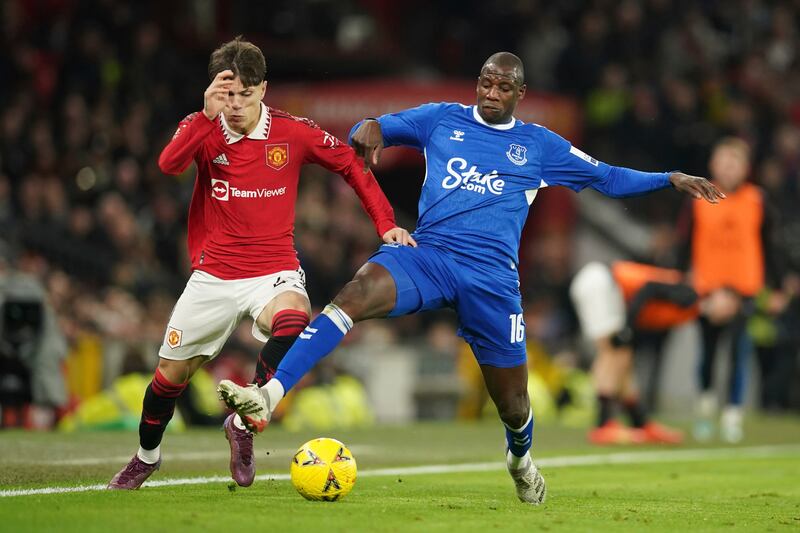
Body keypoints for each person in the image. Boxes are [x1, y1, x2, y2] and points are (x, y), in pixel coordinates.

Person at [217, 52, 723, 504]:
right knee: (355, 291)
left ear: (519, 94)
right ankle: (269, 395)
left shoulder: (539, 145)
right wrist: (369, 127)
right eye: (485, 82)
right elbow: (377, 127)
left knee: (513, 403)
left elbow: (607, 177)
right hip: (430, 255)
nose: (491, 93)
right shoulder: (442, 119)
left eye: (503, 87)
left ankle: (520, 459)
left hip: (492, 281)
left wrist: (669, 179)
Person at [108, 37, 413, 490]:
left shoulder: (292, 132)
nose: (234, 104)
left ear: (263, 89)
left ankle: (244, 423)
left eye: (244, 94)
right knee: (168, 379)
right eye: (226, 93)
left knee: (295, 317)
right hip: (213, 275)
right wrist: (205, 113)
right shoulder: (203, 126)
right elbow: (169, 165)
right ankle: (146, 456)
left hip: (273, 269)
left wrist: (385, 223)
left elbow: (352, 164)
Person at [676, 137, 782, 442]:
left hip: (744, 289)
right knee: (707, 353)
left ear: (745, 168)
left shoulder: (757, 200)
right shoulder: (696, 198)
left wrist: (776, 286)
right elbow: (684, 244)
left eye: (734, 162)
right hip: (707, 289)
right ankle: (705, 410)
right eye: (723, 161)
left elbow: (769, 244)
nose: (728, 167)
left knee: (739, 352)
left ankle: (733, 414)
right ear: (713, 165)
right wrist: (682, 279)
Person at [570, 261, 739, 445]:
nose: (728, 311)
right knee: (613, 351)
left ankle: (640, 422)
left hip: (606, 287)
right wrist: (628, 327)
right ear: (718, 294)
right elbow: (648, 289)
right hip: (602, 282)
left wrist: (629, 328)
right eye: (728, 302)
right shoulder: (692, 294)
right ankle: (603, 424)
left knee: (624, 356)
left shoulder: (693, 309)